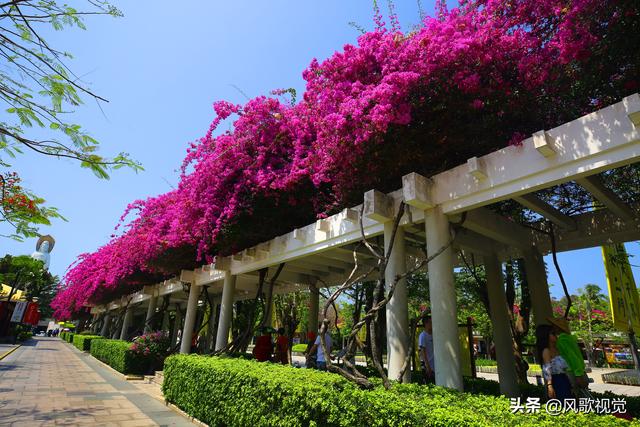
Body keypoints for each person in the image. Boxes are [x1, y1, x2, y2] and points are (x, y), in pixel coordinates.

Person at [548, 317, 590, 394]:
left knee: (574, 397)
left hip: (572, 372)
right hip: (579, 371)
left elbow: (572, 357)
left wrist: (578, 375)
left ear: (557, 328)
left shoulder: (562, 341)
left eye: (553, 326)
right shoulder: (570, 338)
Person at [536, 324, 574, 401]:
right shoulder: (546, 351)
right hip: (556, 381)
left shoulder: (557, 348)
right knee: (563, 403)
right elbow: (547, 369)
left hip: (564, 378)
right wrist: (549, 386)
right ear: (546, 336)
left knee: (570, 402)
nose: (556, 335)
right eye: (553, 333)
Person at [418, 316, 435, 383]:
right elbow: (423, 352)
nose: (432, 324)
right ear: (426, 324)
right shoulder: (423, 336)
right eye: (430, 322)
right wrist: (427, 366)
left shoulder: (434, 334)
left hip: (434, 364)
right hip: (427, 365)